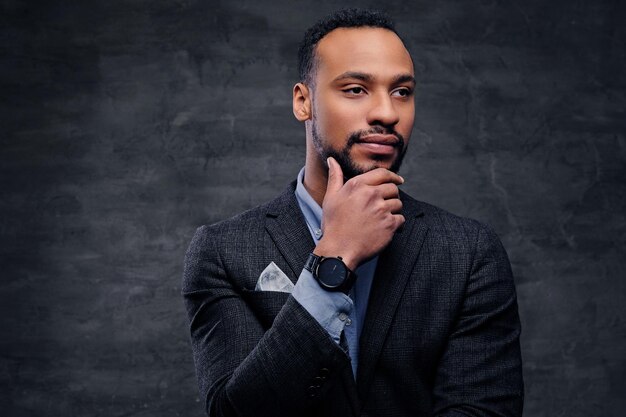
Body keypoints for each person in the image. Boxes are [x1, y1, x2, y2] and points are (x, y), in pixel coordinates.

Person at [183, 8, 523, 417]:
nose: (387, 113)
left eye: (402, 92)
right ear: (303, 101)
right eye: (356, 89)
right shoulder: (222, 251)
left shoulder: (468, 253)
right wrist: (334, 258)